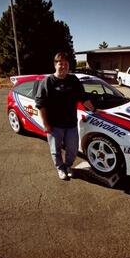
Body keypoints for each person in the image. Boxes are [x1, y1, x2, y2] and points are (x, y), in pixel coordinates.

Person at [35, 52, 95, 180]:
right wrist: (45, 124)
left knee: (73, 149)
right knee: (55, 150)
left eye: (66, 64)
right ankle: (60, 168)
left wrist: (95, 110)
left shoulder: (73, 80)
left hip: (71, 124)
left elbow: (83, 98)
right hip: (54, 125)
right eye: (60, 63)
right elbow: (41, 105)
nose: (63, 66)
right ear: (55, 65)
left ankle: (68, 165)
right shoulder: (47, 82)